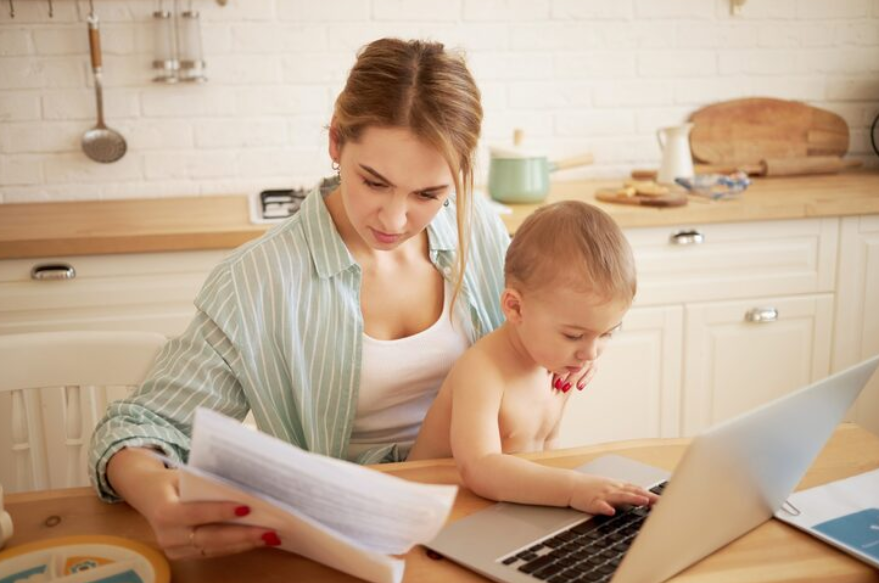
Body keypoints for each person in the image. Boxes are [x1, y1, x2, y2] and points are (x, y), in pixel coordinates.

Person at [88, 38, 594, 560]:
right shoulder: (258, 281)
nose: (395, 220)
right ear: (335, 142)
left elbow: (540, 331)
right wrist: (156, 496)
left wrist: (569, 349)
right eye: (374, 182)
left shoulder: (481, 230)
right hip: (351, 544)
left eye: (428, 195)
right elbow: (140, 426)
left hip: (491, 515)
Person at [408, 201, 658, 515]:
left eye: (606, 333)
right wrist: (573, 488)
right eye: (574, 335)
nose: (590, 354)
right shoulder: (482, 371)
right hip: (431, 513)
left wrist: (572, 497)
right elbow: (479, 467)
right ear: (515, 308)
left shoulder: (556, 363)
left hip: (503, 509)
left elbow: (546, 453)